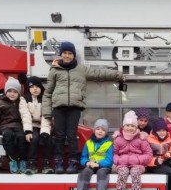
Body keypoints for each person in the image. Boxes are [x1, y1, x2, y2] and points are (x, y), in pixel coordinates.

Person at [43, 41, 124, 174]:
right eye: (65, 53)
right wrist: (47, 112)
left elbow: (98, 73)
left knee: (72, 135)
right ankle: (58, 163)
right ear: (61, 54)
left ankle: (73, 163)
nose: (67, 56)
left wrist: (117, 74)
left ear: (74, 55)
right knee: (59, 136)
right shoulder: (54, 70)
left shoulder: (81, 69)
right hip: (58, 107)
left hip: (74, 107)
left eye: (70, 53)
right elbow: (48, 93)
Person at [113, 110, 153, 190]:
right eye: (127, 125)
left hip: (137, 164)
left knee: (135, 173)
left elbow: (148, 154)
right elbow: (114, 153)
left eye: (132, 126)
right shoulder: (118, 139)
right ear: (123, 126)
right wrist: (119, 160)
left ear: (136, 127)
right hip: (122, 164)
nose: (129, 128)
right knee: (122, 174)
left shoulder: (141, 138)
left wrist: (139, 160)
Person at [0, 77, 27, 174]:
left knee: (22, 138)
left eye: (15, 91)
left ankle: (22, 160)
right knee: (8, 137)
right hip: (5, 126)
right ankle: (12, 160)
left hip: (18, 125)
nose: (12, 94)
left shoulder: (21, 103)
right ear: (5, 92)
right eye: (9, 91)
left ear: (19, 93)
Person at [74, 118, 113, 190]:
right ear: (94, 130)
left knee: (101, 173)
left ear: (106, 132)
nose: (100, 131)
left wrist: (99, 164)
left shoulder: (109, 144)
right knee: (84, 173)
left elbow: (110, 160)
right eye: (98, 129)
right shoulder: (88, 143)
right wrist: (87, 163)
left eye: (103, 130)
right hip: (91, 165)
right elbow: (83, 157)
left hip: (103, 166)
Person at [19, 76, 54, 174]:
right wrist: (28, 131)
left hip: (43, 124)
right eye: (32, 87)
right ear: (28, 88)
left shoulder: (45, 99)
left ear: (41, 88)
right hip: (31, 125)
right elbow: (25, 115)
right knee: (33, 138)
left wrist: (45, 131)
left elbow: (46, 116)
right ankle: (31, 164)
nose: (35, 89)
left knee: (48, 138)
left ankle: (46, 165)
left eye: (37, 86)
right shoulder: (24, 99)